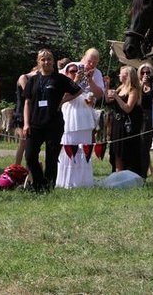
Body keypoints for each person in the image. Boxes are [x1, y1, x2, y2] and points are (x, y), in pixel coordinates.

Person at [23, 49, 81, 192]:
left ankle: (48, 188)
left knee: (51, 157)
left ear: (53, 61)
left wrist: (62, 101)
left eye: (48, 59)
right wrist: (26, 123)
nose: (46, 62)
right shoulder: (33, 80)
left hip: (53, 123)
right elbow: (27, 102)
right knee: (30, 156)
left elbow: (77, 90)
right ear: (38, 62)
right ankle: (38, 183)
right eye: (43, 59)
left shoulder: (59, 79)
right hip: (35, 123)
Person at [56, 62, 96, 188]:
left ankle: (83, 181)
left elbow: (96, 96)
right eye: (72, 71)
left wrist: (90, 101)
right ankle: (68, 181)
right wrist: (76, 81)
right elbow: (63, 99)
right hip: (70, 122)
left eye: (77, 71)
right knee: (69, 150)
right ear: (67, 73)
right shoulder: (63, 85)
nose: (75, 73)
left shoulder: (84, 86)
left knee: (85, 151)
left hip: (84, 122)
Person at [105, 65, 143, 176]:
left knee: (124, 150)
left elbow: (128, 108)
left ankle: (126, 174)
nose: (119, 76)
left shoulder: (133, 90)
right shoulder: (120, 88)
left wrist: (117, 97)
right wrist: (106, 86)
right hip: (117, 123)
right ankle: (118, 173)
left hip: (127, 124)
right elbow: (108, 100)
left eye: (121, 74)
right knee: (116, 150)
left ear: (127, 76)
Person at [138, 62, 153, 178]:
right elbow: (136, 100)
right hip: (137, 117)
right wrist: (141, 85)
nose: (145, 75)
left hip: (149, 119)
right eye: (143, 72)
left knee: (145, 145)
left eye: (148, 72)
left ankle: (144, 173)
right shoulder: (136, 85)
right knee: (137, 144)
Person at [13, 66, 38, 166]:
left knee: (31, 144)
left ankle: (30, 167)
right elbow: (28, 94)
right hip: (21, 113)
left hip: (33, 113)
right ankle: (16, 167)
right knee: (23, 142)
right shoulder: (24, 78)